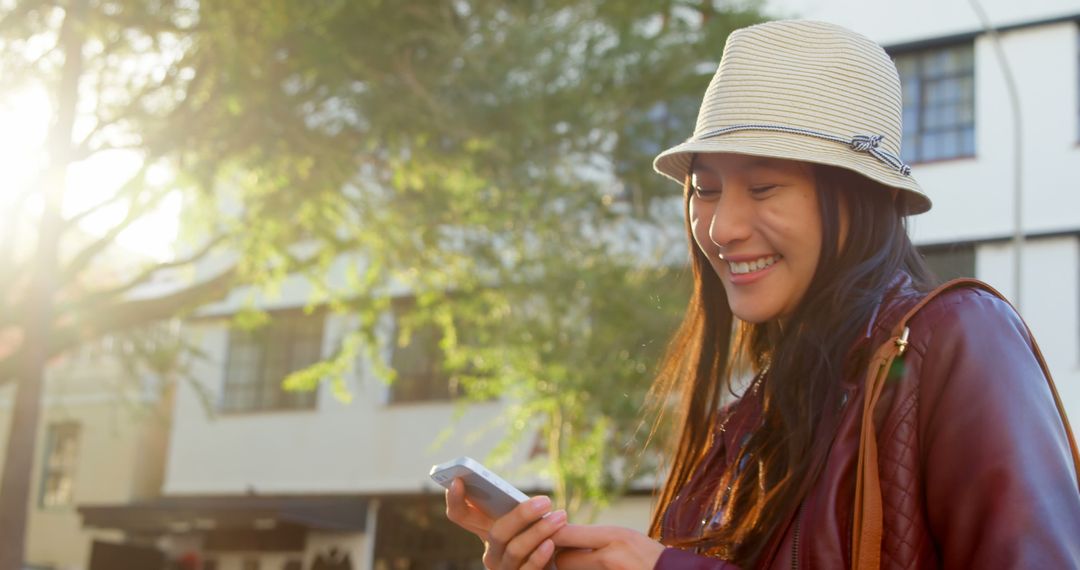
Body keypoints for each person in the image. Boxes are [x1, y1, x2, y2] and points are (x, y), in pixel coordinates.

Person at [444, 19, 1080, 569]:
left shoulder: (959, 337)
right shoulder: (756, 413)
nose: (720, 228)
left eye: (765, 186)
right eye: (708, 188)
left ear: (861, 198)